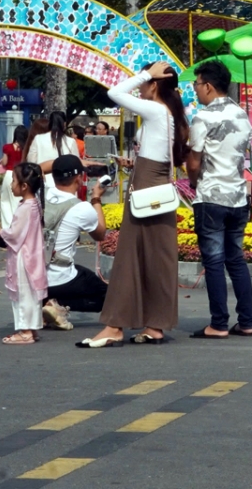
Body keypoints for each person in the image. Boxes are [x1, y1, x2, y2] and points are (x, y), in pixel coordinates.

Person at [81, 62, 188, 348]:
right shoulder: (172, 114)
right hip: (156, 184)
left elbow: (114, 92)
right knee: (157, 256)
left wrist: (145, 74)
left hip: (145, 186)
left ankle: (114, 325)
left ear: (154, 83)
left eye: (145, 82)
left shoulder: (156, 109)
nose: (140, 87)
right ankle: (155, 326)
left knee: (130, 254)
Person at [186, 60, 252, 339]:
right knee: (235, 259)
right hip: (238, 197)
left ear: (208, 86)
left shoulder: (203, 117)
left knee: (214, 261)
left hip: (212, 196)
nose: (196, 90)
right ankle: (247, 321)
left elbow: (194, 161)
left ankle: (218, 323)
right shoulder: (242, 115)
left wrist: (194, 183)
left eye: (197, 85)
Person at [40, 155, 108, 332]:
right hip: (62, 277)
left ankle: (43, 302)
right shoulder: (82, 208)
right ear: (79, 178)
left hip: (35, 276)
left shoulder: (40, 193)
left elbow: (36, 168)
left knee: (82, 274)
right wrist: (96, 198)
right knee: (108, 297)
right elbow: (100, 234)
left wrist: (66, 164)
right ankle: (56, 304)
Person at [0, 163, 47, 345]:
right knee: (31, 294)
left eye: (13, 181)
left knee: (23, 294)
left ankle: (26, 331)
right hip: (33, 255)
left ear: (24, 186)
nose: (11, 185)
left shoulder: (26, 208)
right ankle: (32, 328)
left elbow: (14, 234)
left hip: (24, 257)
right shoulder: (35, 204)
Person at [28, 111, 79, 191]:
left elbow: (31, 162)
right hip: (66, 185)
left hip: (43, 183)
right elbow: (76, 164)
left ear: (50, 123)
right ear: (64, 124)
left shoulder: (38, 139)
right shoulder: (70, 141)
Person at [0, 125, 28, 226]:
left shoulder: (7, 147)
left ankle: (7, 225)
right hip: (20, 174)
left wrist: (2, 161)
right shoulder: (26, 149)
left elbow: (5, 163)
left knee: (5, 201)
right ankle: (18, 224)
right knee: (17, 200)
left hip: (9, 174)